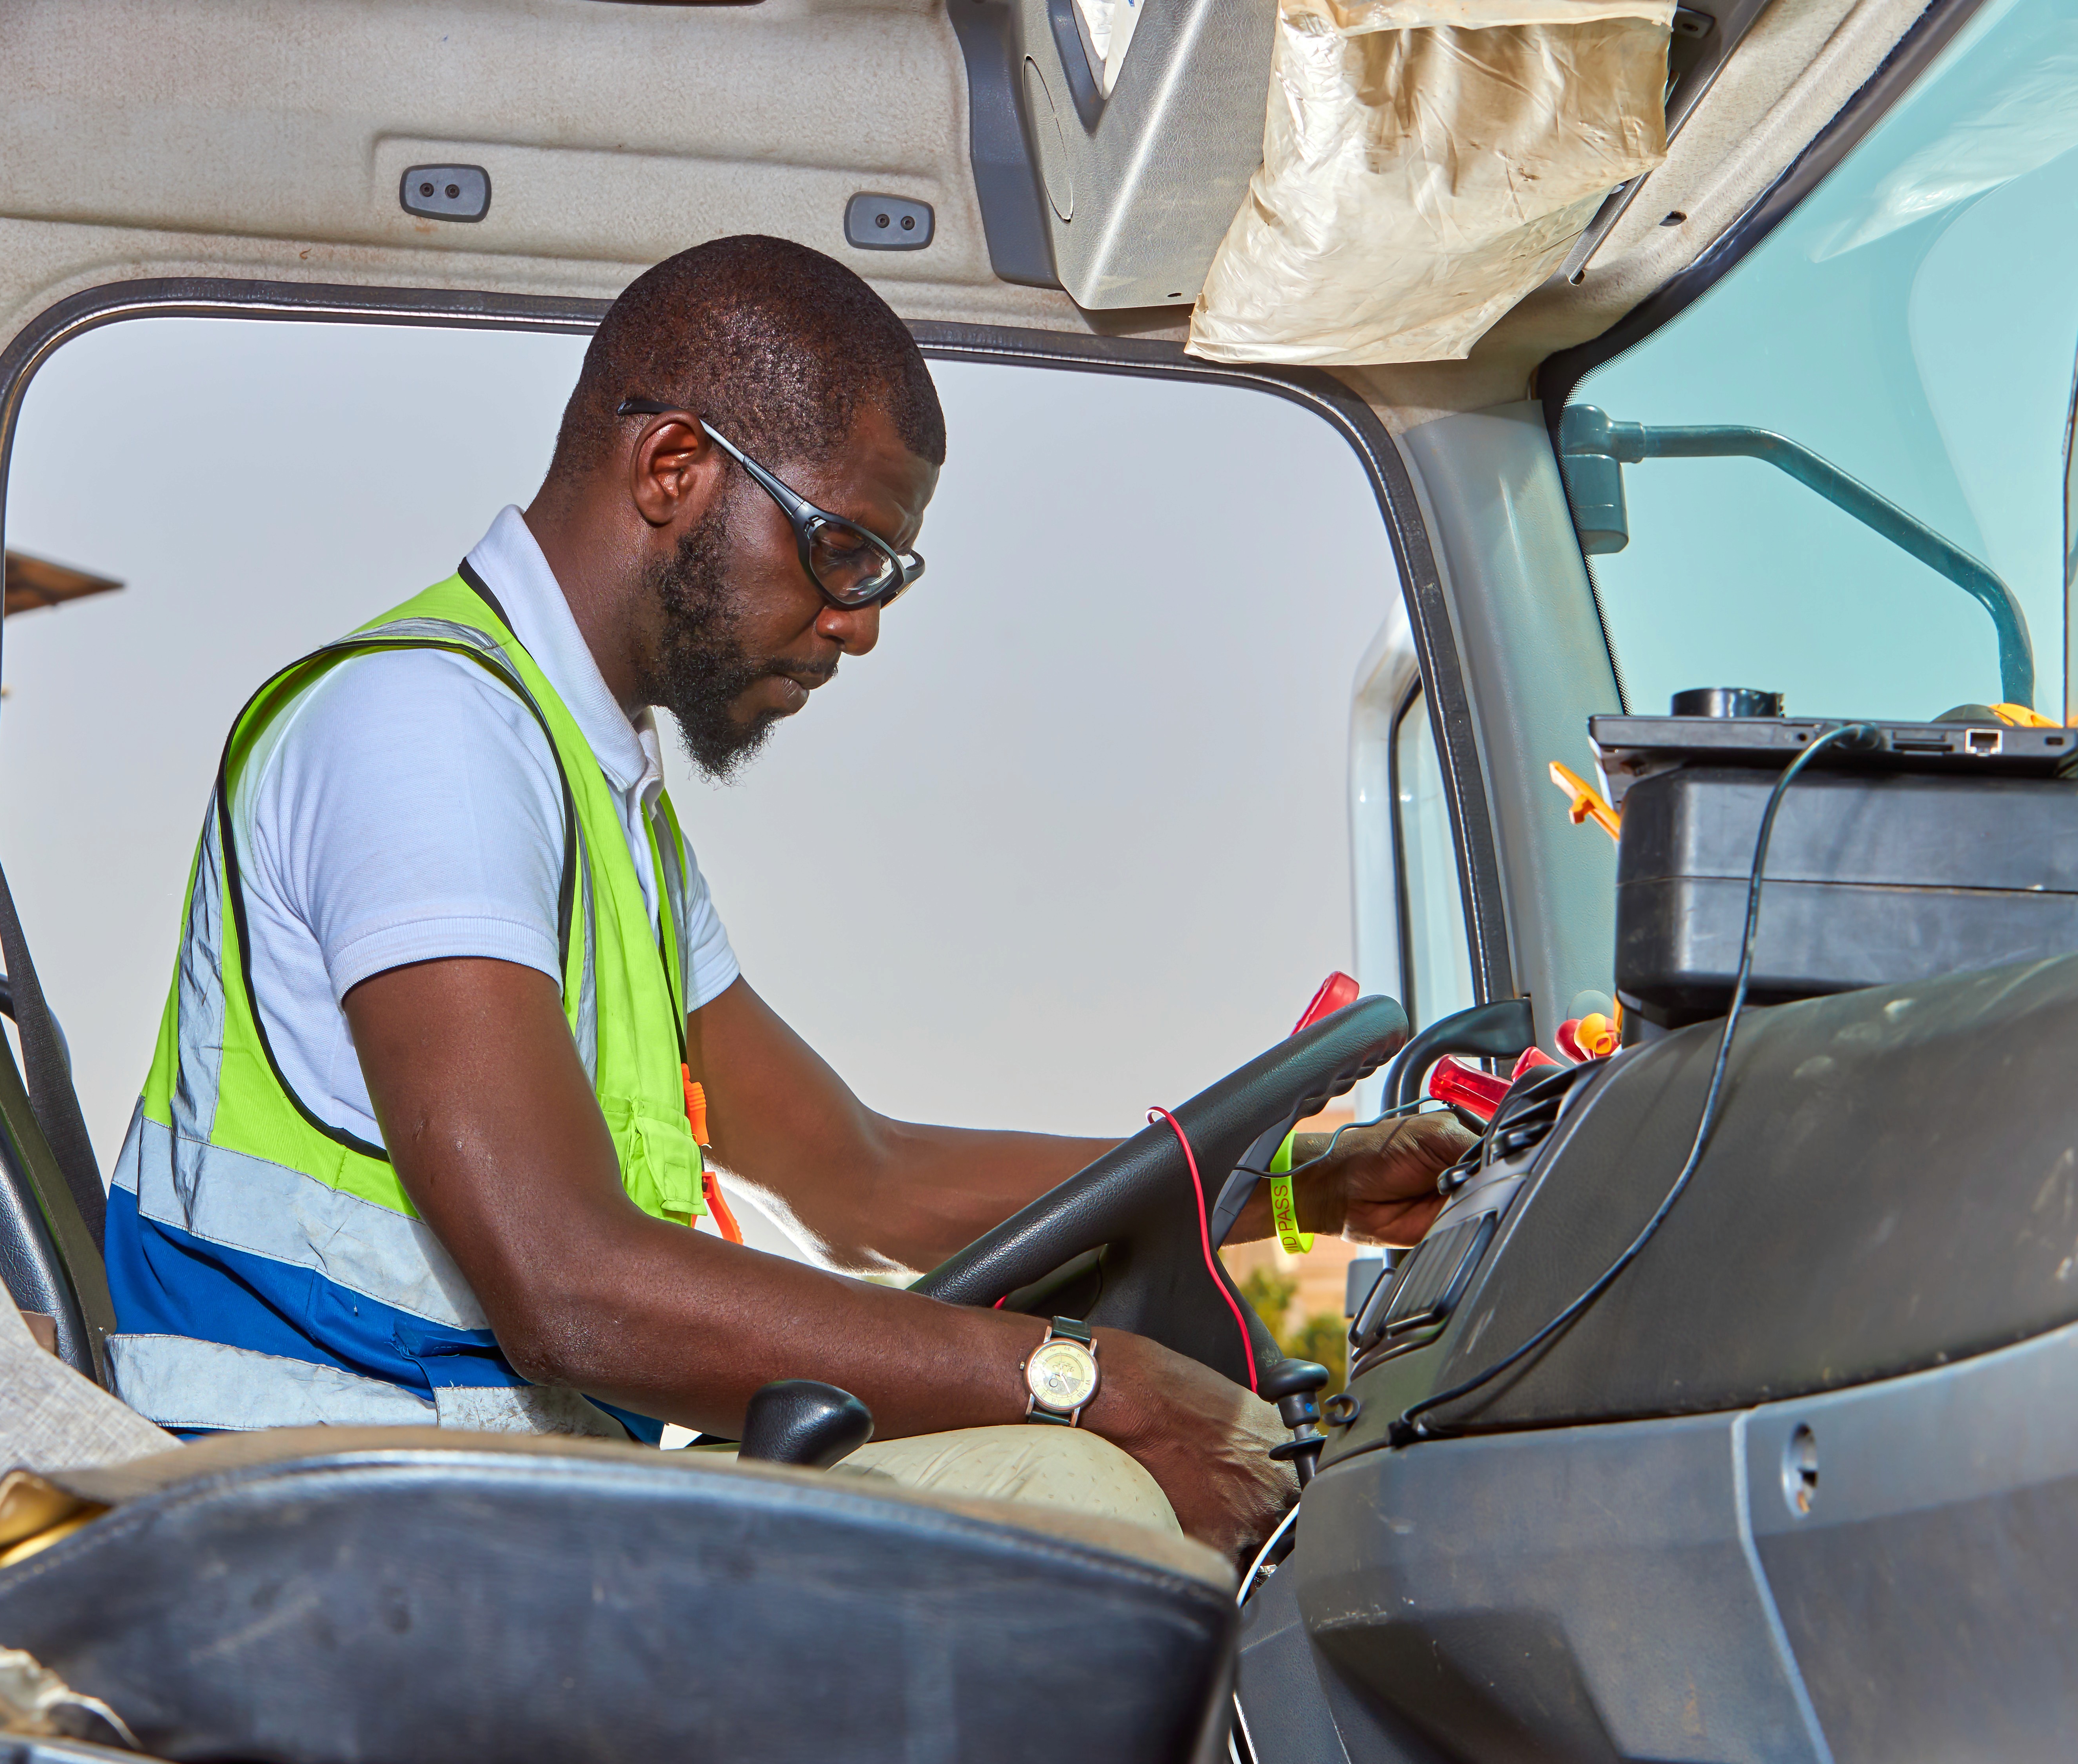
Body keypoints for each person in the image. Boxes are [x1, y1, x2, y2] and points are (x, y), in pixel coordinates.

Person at [104, 234, 1470, 1556]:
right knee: (1083, 1497)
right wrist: (1081, 1376)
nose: (863, 620)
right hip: (323, 1511)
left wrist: (1304, 1183)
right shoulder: (426, 734)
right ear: (674, 470)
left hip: (474, 1482)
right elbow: (569, 1291)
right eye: (843, 551)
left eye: (887, 574)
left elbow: (854, 1175)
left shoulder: (590, 785)